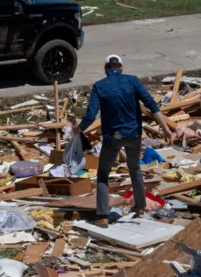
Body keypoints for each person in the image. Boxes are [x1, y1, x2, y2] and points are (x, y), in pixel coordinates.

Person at [74, 54, 175, 228]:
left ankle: (103, 216)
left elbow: (90, 115)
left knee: (103, 174)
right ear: (121, 68)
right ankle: (140, 206)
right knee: (135, 169)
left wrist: (78, 129)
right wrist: (166, 128)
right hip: (133, 135)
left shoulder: (99, 86)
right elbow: (151, 104)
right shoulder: (133, 81)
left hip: (114, 137)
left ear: (105, 70)